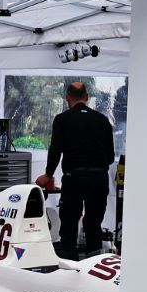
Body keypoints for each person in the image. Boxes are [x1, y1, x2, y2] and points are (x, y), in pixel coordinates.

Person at [37, 80, 114, 259]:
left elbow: (55, 150)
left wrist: (48, 175)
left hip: (74, 179)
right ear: (86, 97)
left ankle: (70, 269)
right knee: (94, 224)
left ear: (68, 98)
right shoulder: (103, 120)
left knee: (69, 224)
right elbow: (110, 156)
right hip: (98, 179)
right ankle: (94, 269)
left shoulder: (62, 119)